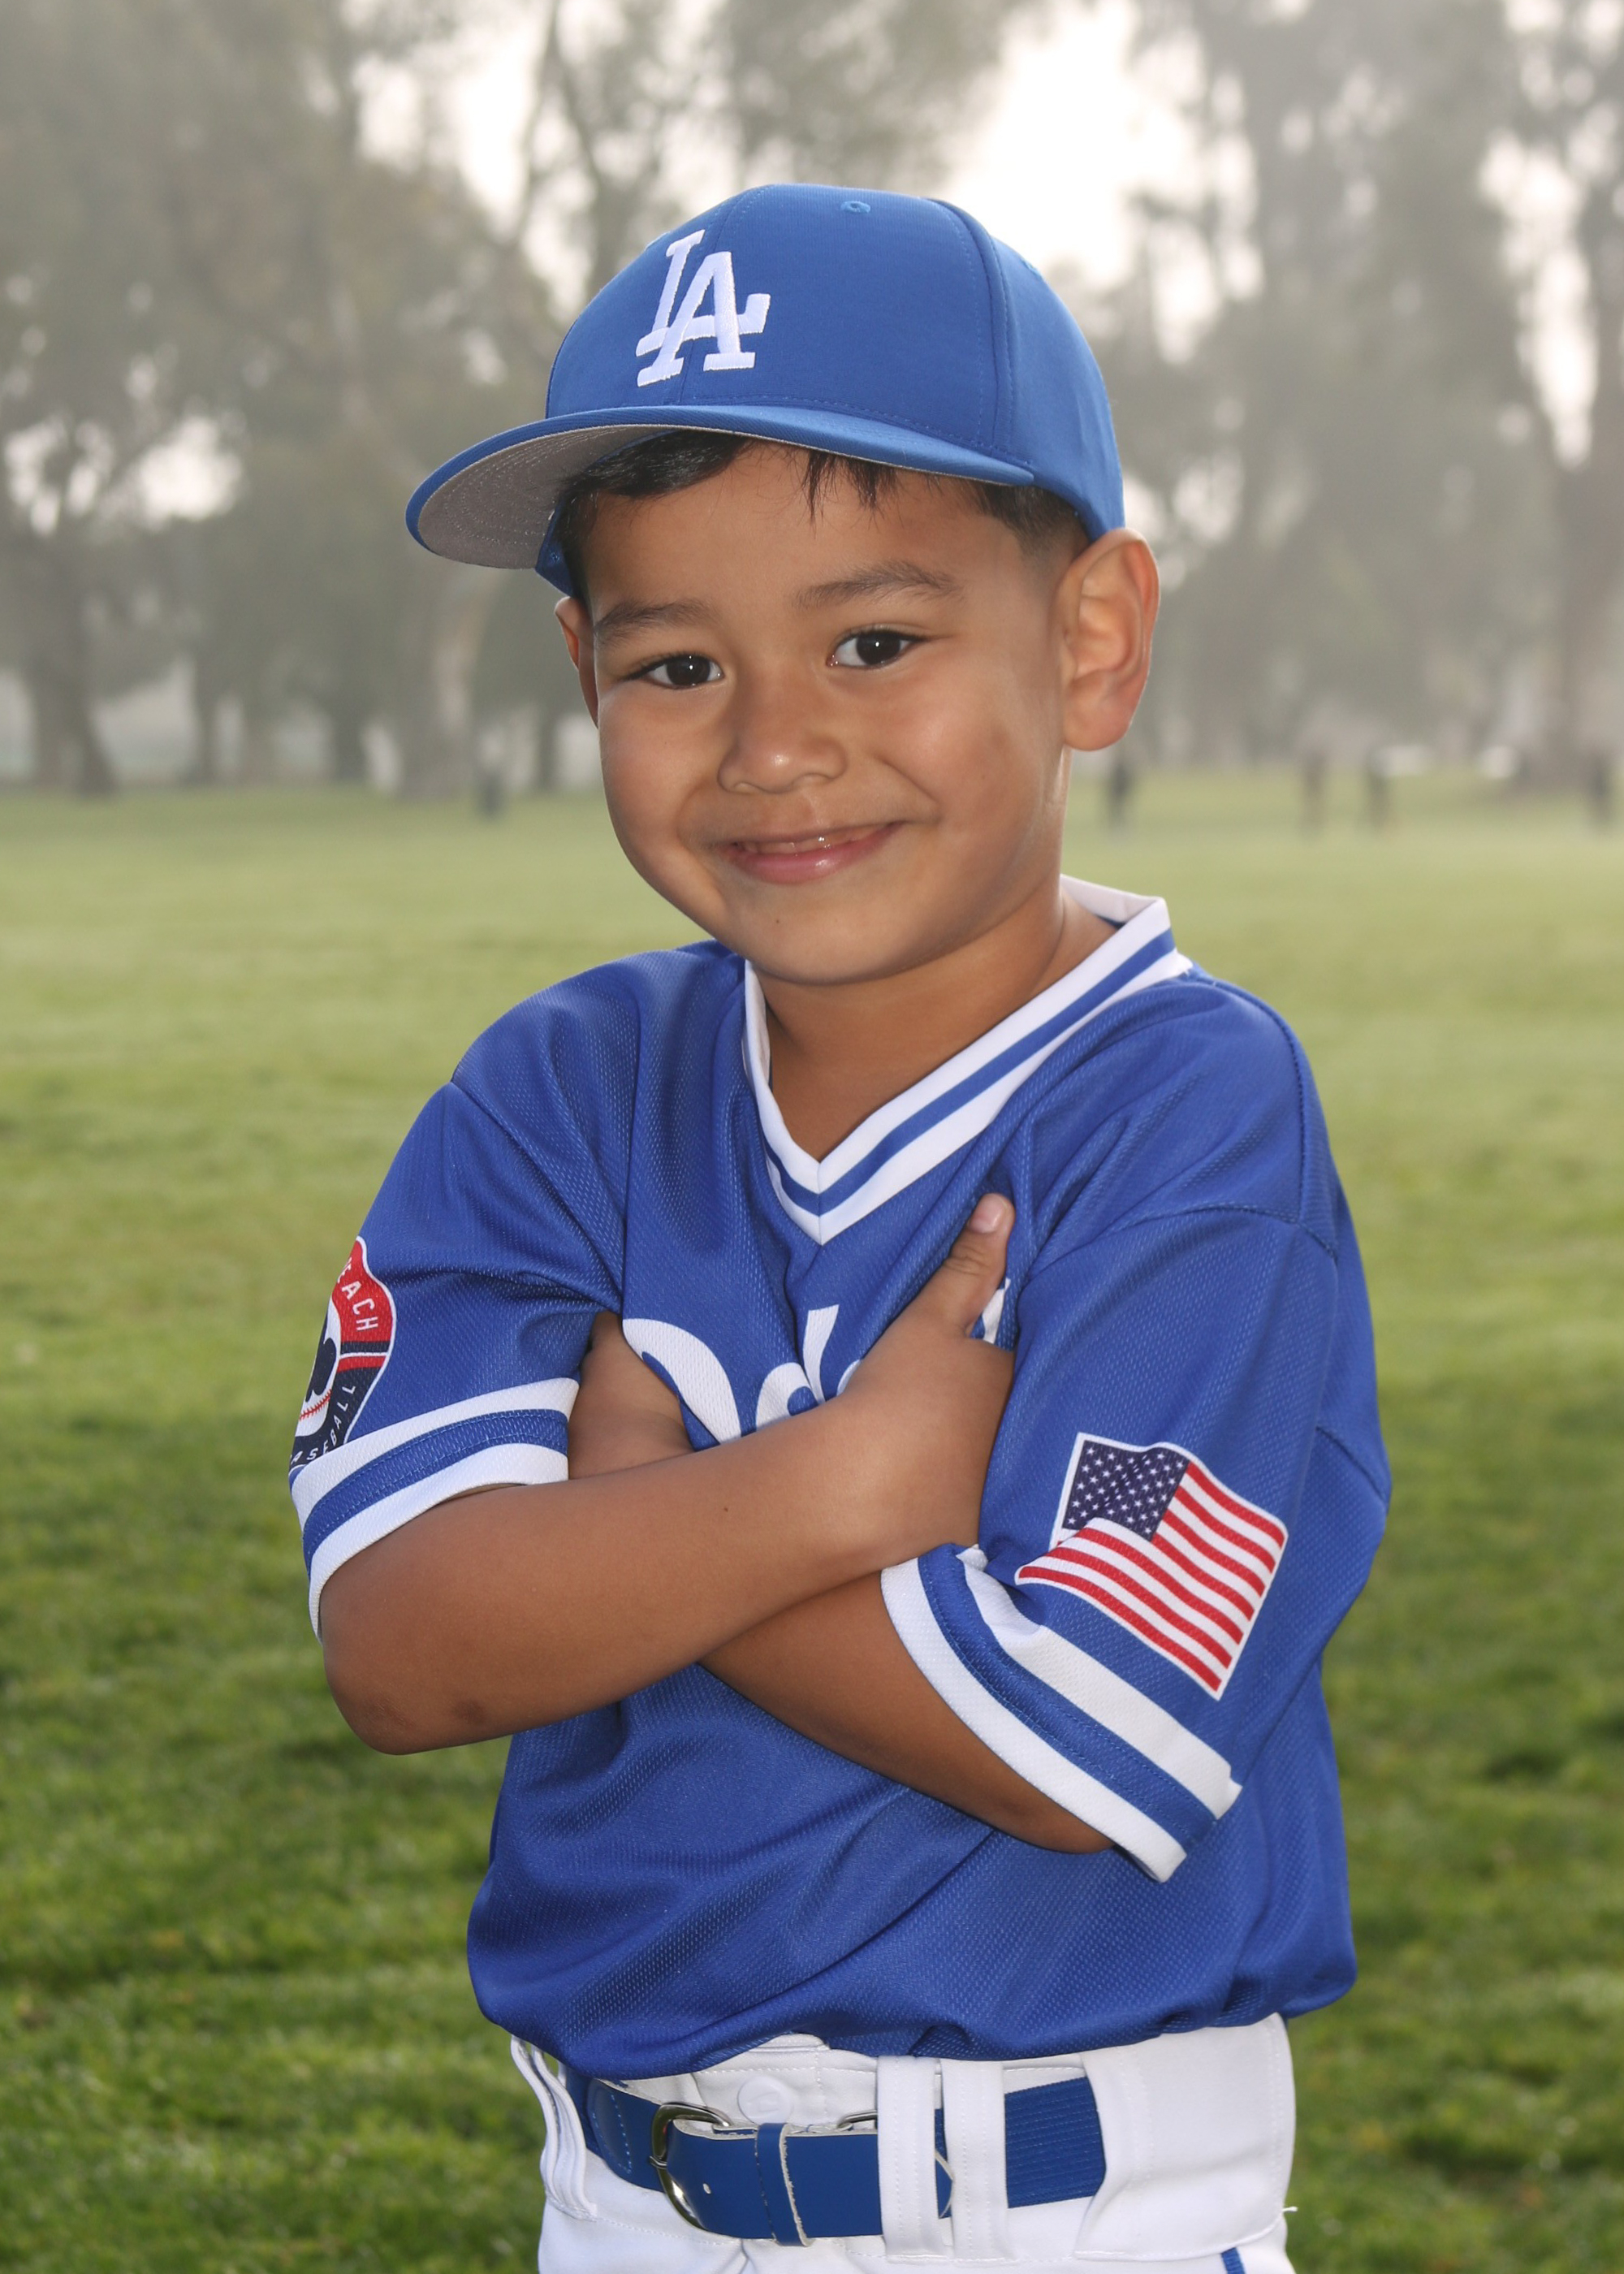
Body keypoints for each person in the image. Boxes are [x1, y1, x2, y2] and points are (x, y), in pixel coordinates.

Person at [292, 185, 1388, 2273]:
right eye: (676, 662)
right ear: (581, 672)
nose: (775, 745)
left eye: (874, 641)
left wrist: (637, 1517)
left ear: (1090, 637)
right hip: (620, 2200)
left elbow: (1079, 1720)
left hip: (1067, 2208)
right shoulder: (558, 1090)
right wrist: (840, 1486)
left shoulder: (1185, 1113)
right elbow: (407, 1645)